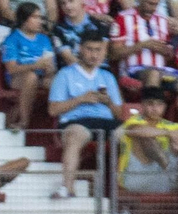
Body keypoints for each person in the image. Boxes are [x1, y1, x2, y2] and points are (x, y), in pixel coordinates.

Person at [47, 32, 123, 198]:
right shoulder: (65, 74)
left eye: (98, 50)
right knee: (75, 135)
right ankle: (67, 187)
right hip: (77, 121)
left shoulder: (108, 76)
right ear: (80, 49)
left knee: (132, 134)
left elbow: (119, 114)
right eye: (89, 49)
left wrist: (108, 102)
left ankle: (129, 190)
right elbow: (53, 110)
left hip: (106, 121)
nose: (94, 54)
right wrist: (81, 99)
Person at [113, 0, 178, 91]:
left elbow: (169, 55)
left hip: (161, 72)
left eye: (156, 4)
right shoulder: (123, 18)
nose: (152, 8)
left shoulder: (163, 20)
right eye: (149, 3)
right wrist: (143, 45)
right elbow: (113, 54)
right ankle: (151, 106)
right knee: (154, 74)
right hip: (132, 71)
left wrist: (168, 52)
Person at [0, 2, 56, 133]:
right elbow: (11, 68)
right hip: (18, 77)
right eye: (35, 17)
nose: (40, 21)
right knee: (31, 77)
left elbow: (50, 64)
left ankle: (61, 124)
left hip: (42, 75)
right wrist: (36, 65)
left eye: (41, 17)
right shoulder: (12, 39)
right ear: (24, 20)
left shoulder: (44, 39)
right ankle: (24, 121)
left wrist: (49, 71)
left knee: (59, 81)